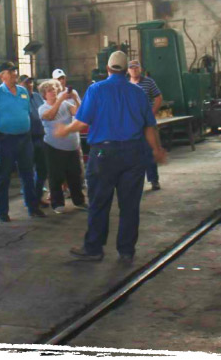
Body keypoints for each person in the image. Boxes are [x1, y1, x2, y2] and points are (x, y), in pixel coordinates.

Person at [56, 51, 166, 263]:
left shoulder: (96, 90)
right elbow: (149, 127)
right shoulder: (138, 93)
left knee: (99, 202)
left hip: (103, 154)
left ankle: (94, 248)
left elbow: (82, 122)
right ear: (127, 71)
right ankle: (126, 252)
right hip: (134, 154)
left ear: (107, 69)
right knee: (129, 205)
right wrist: (156, 150)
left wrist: (65, 130)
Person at [0, 62, 46, 223]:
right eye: (9, 72)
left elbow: (26, 111)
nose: (13, 74)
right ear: (1, 76)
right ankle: (2, 212)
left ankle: (33, 207)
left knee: (28, 174)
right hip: (6, 139)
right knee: (4, 176)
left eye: (14, 71)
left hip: (25, 138)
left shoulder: (23, 92)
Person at [37, 80, 87, 214]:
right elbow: (51, 115)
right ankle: (57, 203)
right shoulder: (43, 108)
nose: (53, 92)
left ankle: (79, 200)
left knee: (75, 175)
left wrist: (76, 98)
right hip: (54, 147)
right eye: (49, 90)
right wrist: (60, 100)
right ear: (44, 95)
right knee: (56, 176)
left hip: (72, 147)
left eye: (54, 89)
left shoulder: (66, 104)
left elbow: (82, 113)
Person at [127, 60, 164, 191]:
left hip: (147, 123)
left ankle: (154, 180)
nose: (134, 70)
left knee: (150, 151)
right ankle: (135, 182)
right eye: (131, 68)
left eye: (136, 67)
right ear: (128, 71)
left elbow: (159, 97)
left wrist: (152, 112)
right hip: (132, 124)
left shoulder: (149, 82)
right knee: (133, 153)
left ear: (140, 69)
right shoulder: (127, 84)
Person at [19, 74, 49, 208]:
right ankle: (30, 201)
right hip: (27, 139)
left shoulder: (37, 97)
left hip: (40, 137)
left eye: (30, 83)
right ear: (20, 85)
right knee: (28, 172)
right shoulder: (19, 99)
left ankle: (37, 197)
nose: (29, 85)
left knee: (42, 169)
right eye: (26, 83)